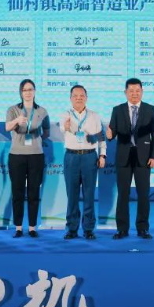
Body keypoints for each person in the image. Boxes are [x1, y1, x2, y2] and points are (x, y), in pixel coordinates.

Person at [106, 78, 154, 239]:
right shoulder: (117, 110)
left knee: (143, 194)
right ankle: (122, 229)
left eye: (137, 91)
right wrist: (109, 135)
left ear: (142, 91)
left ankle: (143, 228)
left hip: (144, 157)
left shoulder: (150, 109)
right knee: (123, 194)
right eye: (131, 91)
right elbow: (112, 132)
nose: (134, 94)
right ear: (125, 92)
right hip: (124, 157)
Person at [59, 85, 107, 240]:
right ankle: (71, 229)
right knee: (72, 195)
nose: (78, 98)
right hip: (71, 157)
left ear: (86, 97)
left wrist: (103, 155)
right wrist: (66, 126)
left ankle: (88, 229)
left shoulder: (94, 116)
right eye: (75, 96)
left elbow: (101, 138)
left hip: (89, 157)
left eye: (82, 95)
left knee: (89, 194)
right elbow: (63, 128)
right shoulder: (65, 115)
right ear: (70, 98)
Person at [5, 79, 50, 238]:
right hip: (16, 155)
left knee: (33, 192)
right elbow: (7, 127)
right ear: (21, 92)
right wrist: (17, 120)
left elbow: (47, 132)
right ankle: (18, 227)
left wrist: (37, 140)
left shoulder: (42, 111)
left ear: (35, 91)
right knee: (17, 192)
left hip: (36, 155)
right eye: (25, 90)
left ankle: (32, 227)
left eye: (30, 89)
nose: (28, 92)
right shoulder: (13, 110)